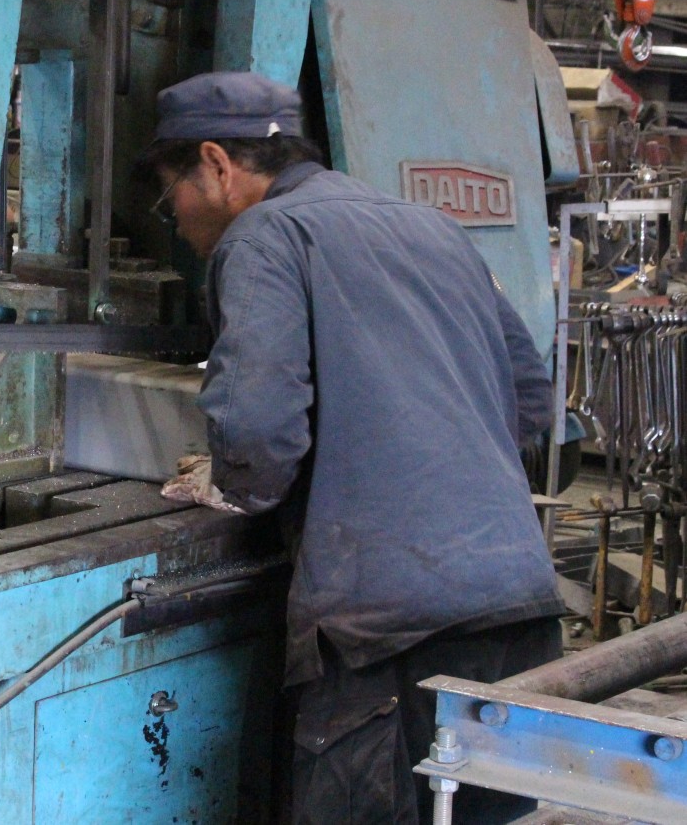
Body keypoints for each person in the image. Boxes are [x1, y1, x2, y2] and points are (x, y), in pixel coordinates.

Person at [140, 72, 565, 825]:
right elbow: (531, 397)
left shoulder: (263, 237)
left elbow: (256, 433)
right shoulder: (432, 227)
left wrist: (235, 484)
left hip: (387, 634)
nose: (173, 217)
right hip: (515, 605)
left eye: (170, 192)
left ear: (216, 164)